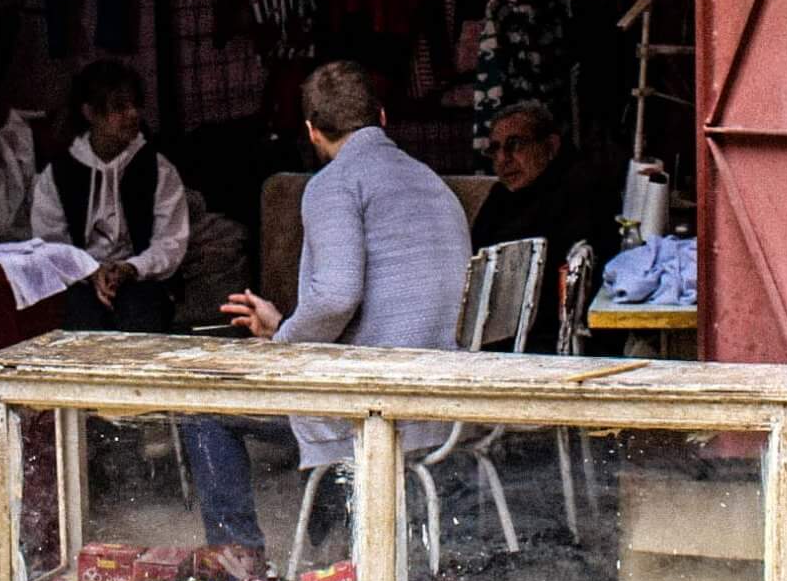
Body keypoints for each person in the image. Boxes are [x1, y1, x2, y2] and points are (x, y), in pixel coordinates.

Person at [204, 61, 472, 551]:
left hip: (377, 408)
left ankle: (238, 560)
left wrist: (283, 341)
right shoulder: (431, 181)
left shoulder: (333, 184)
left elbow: (336, 295)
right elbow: (378, 304)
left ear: (311, 132)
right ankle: (328, 548)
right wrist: (283, 324)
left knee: (205, 410)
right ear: (383, 118)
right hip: (441, 402)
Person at [30, 59, 189, 333]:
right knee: (81, 327)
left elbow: (170, 242)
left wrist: (130, 268)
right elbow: (49, 243)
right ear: (90, 113)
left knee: (142, 322)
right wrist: (89, 272)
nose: (132, 114)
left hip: (141, 279)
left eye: (134, 105)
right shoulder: (58, 174)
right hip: (80, 281)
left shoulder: (157, 168)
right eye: (119, 107)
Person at [470, 100, 620, 350]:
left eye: (514, 145)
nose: (502, 159)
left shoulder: (581, 191)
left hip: (552, 344)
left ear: (551, 146)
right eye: (495, 150)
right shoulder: (500, 197)